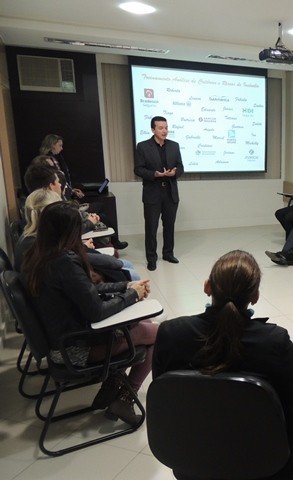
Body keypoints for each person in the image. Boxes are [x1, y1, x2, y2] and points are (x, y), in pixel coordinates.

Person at [152, 250, 293, 480]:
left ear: (207, 287)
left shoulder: (170, 333)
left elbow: (164, 393)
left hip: (192, 459)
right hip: (265, 466)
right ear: (256, 296)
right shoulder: (273, 341)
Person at [21, 201, 158, 425]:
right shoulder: (64, 262)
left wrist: (126, 287)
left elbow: (87, 291)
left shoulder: (38, 255)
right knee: (158, 334)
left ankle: (112, 385)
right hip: (76, 348)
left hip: (64, 340)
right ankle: (125, 396)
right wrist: (132, 295)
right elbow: (96, 311)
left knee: (146, 321)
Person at [39, 135, 129, 250]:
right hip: (71, 210)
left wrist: (72, 190)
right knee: (101, 211)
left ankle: (111, 241)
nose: (62, 148)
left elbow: (64, 182)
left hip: (70, 203)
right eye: (59, 145)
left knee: (102, 214)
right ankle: (112, 241)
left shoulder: (57, 159)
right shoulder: (49, 162)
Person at [134, 116, 184, 271]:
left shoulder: (174, 146)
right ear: (153, 130)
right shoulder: (143, 146)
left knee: (169, 226)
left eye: (166, 127)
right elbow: (138, 169)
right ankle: (151, 258)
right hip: (152, 193)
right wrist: (154, 174)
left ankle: (168, 253)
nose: (165, 131)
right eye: (161, 128)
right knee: (151, 227)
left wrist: (175, 172)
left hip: (170, 192)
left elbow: (180, 167)